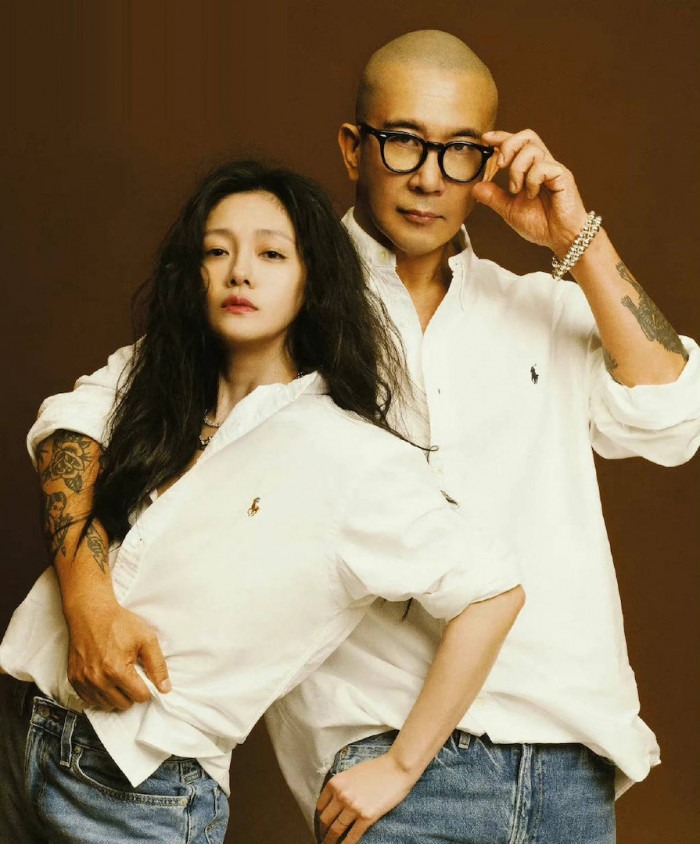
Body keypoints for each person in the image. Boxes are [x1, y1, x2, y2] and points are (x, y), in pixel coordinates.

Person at [11, 28, 700, 844]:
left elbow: (675, 417)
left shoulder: (544, 308)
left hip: (570, 759)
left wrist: (575, 238)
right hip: (382, 762)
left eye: (459, 151)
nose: (428, 177)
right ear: (353, 147)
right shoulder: (284, 291)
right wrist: (89, 599)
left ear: (486, 161)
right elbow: (83, 419)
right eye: (404, 140)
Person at [0, 160, 525, 843]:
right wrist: (90, 605)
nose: (240, 272)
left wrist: (401, 765)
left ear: (313, 279)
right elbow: (65, 434)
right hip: (17, 724)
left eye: (271, 254)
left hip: (140, 790)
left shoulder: (352, 456)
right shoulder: (153, 373)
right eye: (216, 251)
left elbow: (493, 593)